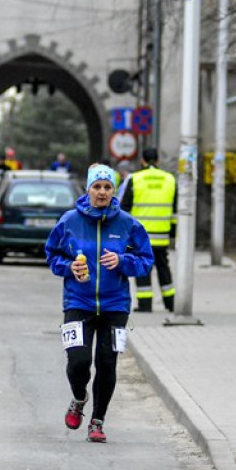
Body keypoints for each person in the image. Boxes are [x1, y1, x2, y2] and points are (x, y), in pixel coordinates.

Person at [45, 164, 154, 443]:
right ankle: (79, 398)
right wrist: (69, 267)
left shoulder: (128, 224)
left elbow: (146, 260)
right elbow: (52, 254)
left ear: (113, 191)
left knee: (107, 363)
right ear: (88, 189)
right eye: (97, 186)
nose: (102, 192)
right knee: (78, 361)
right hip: (78, 301)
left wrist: (123, 261)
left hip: (115, 305)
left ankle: (97, 421)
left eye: (107, 187)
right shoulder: (69, 220)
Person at [121, 148, 177, 312]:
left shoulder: (135, 179)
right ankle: (170, 303)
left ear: (142, 161)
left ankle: (145, 304)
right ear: (158, 160)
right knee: (163, 267)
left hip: (141, 237)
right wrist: (172, 232)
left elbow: (125, 209)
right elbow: (175, 210)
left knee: (143, 268)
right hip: (162, 234)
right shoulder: (170, 179)